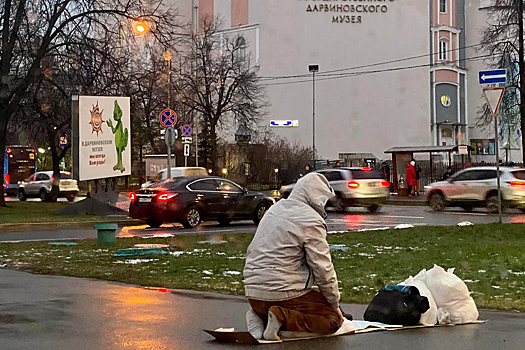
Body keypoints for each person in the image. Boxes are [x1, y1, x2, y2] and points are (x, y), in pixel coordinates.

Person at [243, 173, 345, 340]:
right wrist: (334, 305)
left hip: (253, 293)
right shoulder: (310, 220)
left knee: (309, 305)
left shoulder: (274, 209)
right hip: (283, 293)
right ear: (318, 197)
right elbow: (322, 268)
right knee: (331, 320)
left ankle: (259, 316)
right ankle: (280, 317)